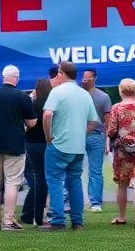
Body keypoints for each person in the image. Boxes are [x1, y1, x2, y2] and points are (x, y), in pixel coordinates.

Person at [0, 65, 37, 231]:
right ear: (16, 78)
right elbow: (31, 122)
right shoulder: (22, 97)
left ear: (3, 77)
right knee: (12, 182)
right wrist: (23, 128)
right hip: (15, 144)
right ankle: (8, 220)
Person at [39, 61, 98, 231]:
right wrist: (82, 133)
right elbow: (94, 121)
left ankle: (57, 220)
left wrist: (49, 136)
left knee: (55, 181)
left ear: (62, 72)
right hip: (78, 146)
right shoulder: (85, 94)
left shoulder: (57, 92)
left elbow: (47, 114)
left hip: (59, 144)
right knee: (75, 181)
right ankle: (77, 221)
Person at [108, 79, 135, 227]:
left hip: (123, 150)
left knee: (122, 184)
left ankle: (121, 217)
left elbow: (112, 130)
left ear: (121, 91)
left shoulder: (116, 108)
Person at [80, 68, 112, 213]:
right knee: (74, 169)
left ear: (95, 78)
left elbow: (107, 122)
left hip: (96, 135)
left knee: (95, 170)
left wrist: (107, 141)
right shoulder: (77, 94)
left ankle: (95, 202)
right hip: (78, 135)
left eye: (88, 78)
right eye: (84, 78)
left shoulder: (103, 97)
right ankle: (73, 201)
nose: (85, 81)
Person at [20, 77, 51, 226]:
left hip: (31, 143)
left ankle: (28, 213)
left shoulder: (32, 104)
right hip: (45, 142)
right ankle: (37, 216)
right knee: (42, 180)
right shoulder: (50, 104)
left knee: (38, 179)